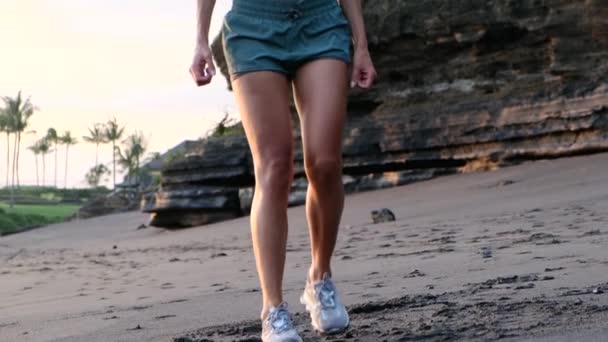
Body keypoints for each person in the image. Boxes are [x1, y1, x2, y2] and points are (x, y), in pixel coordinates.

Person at [190, 0, 376, 340]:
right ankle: (273, 309)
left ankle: (319, 277)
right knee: (274, 168)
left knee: (324, 162)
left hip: (321, 22)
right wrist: (201, 39)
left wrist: (361, 44)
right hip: (252, 28)